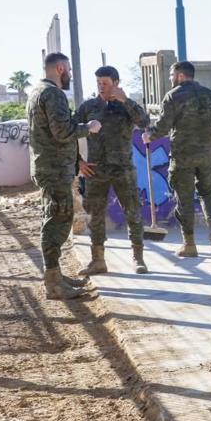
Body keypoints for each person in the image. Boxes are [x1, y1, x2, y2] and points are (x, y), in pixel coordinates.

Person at [26, 52, 102, 300]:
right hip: (55, 169)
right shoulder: (53, 94)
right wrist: (88, 129)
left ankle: (56, 275)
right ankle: (53, 282)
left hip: (50, 167)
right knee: (57, 220)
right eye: (68, 68)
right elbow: (62, 132)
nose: (69, 73)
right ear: (60, 68)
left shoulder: (37, 91)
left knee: (55, 217)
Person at [144, 61, 211, 258]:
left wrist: (149, 136)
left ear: (180, 75)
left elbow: (163, 126)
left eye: (171, 75)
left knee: (184, 199)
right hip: (208, 154)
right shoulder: (210, 95)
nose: (170, 79)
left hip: (183, 155)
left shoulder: (173, 96)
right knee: (207, 193)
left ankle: (189, 244)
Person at [74, 66, 151, 275]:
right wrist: (78, 161)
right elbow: (69, 132)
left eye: (105, 83)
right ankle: (98, 260)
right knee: (95, 215)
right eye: (98, 83)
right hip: (95, 170)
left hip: (123, 169)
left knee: (133, 212)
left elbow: (145, 122)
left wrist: (126, 101)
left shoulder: (127, 106)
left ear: (116, 83)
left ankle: (138, 259)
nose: (101, 87)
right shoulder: (88, 107)